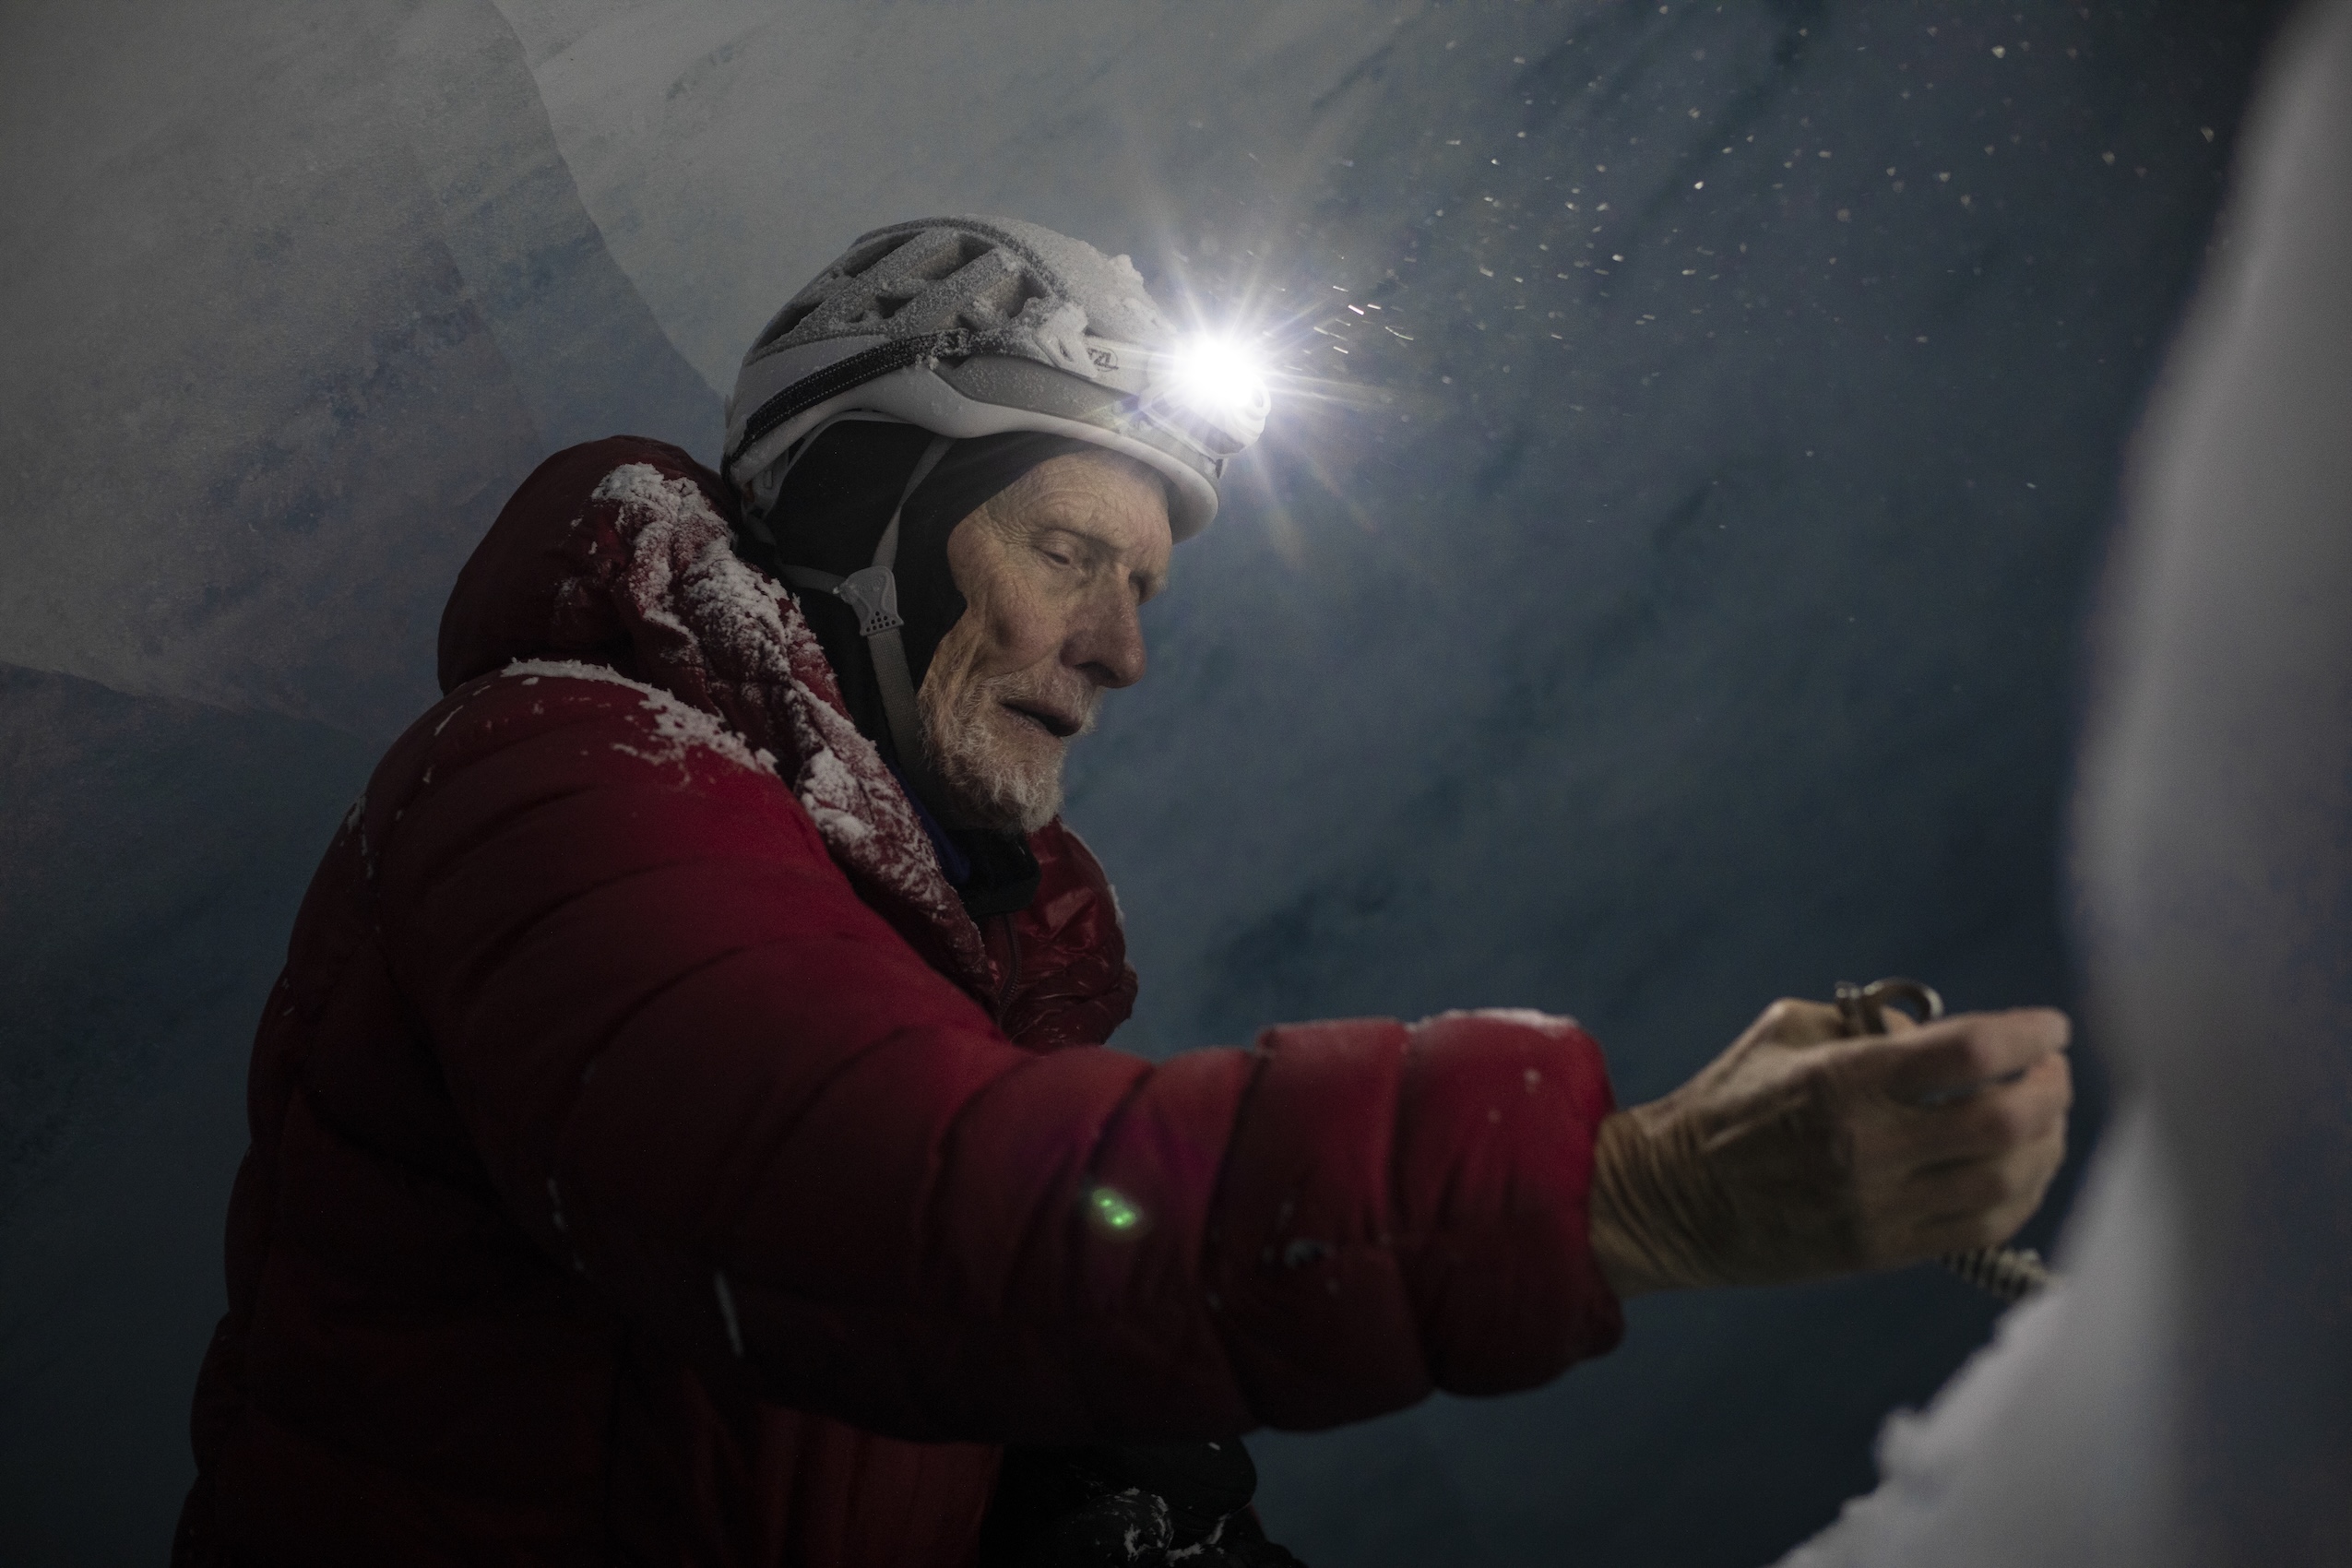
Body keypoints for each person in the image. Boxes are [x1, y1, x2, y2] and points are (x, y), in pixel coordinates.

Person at [174, 216, 2071, 1566]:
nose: (1122, 650)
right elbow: (874, 1203)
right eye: (1072, 550)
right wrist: (1612, 1190)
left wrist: (1060, 1488)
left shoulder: (923, 941)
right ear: (854, 517)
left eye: (1147, 586)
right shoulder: (560, 773)